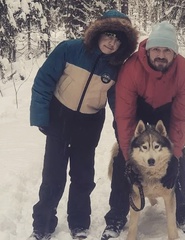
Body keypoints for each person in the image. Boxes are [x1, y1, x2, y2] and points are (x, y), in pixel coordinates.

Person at [28, 9, 138, 240]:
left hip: (89, 123)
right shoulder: (69, 49)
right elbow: (43, 80)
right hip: (60, 118)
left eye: (118, 39)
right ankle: (43, 224)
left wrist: (124, 135)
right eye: (108, 34)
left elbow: (119, 105)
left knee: (83, 176)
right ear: (97, 32)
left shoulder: (117, 67)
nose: (112, 42)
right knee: (53, 176)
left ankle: (79, 222)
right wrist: (41, 116)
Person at [101, 21, 185, 239]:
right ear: (149, 49)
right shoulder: (132, 67)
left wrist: (174, 156)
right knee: (121, 158)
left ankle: (182, 211)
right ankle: (116, 216)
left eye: (167, 50)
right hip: (137, 110)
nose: (161, 54)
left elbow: (181, 118)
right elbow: (125, 116)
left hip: (166, 110)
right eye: (156, 49)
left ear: (174, 53)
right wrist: (128, 158)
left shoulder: (184, 71)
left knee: (178, 157)